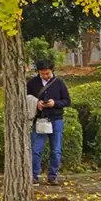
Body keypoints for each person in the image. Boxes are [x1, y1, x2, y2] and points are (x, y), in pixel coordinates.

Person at [28, 58, 71, 186]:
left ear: (51, 71)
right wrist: (36, 104)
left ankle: (52, 176)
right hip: (40, 119)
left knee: (55, 150)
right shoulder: (32, 83)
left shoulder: (59, 83)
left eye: (47, 73)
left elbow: (67, 101)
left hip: (56, 119)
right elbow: (25, 98)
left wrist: (55, 103)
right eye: (43, 74)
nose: (46, 76)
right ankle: (34, 176)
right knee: (36, 149)